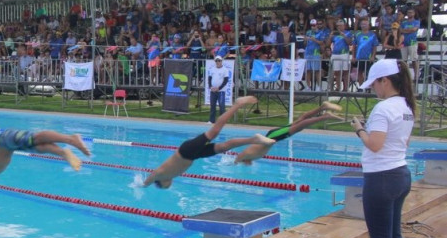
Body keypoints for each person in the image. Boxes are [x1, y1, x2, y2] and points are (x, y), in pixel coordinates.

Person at [350, 59, 415, 238]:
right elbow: (404, 143)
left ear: (385, 81)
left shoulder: (384, 108)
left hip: (381, 178)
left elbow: (375, 144)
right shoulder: (407, 106)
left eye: (374, 84)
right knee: (394, 236)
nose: (373, 89)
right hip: (400, 174)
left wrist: (359, 129)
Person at [143, 96, 274, 189]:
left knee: (214, 131)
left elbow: (151, 177)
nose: (168, 187)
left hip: (186, 151)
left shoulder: (161, 174)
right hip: (194, 155)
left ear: (161, 182)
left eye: (164, 187)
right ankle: (254, 139)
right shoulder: (170, 176)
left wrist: (143, 185)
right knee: (224, 147)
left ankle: (238, 104)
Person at [0, 130, 91, 207]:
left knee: (36, 138)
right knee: (38, 148)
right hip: (13, 146)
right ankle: (63, 153)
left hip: (6, 139)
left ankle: (70, 139)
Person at [235, 101, 344, 164]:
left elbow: (239, 158)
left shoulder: (246, 154)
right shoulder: (251, 156)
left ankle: (325, 116)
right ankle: (322, 107)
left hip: (274, 136)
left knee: (300, 125)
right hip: (273, 135)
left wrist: (235, 163)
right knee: (301, 120)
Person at [207, 55, 229, 123]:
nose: (217, 62)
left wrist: (219, 88)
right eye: (216, 61)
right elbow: (209, 79)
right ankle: (211, 120)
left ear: (221, 61)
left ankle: (222, 121)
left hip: (221, 91)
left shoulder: (225, 70)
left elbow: (225, 81)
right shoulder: (212, 69)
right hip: (213, 90)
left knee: (221, 106)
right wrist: (210, 86)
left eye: (219, 61)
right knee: (212, 105)